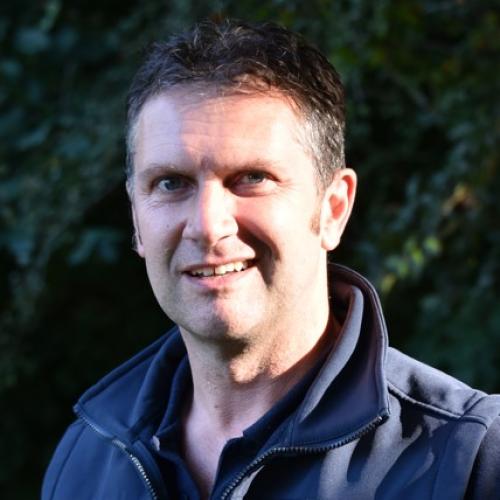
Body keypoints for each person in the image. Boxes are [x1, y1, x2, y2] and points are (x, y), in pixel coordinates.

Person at [42, 19, 500, 500]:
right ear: (137, 218)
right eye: (171, 183)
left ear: (333, 209)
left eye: (252, 178)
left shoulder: (469, 462)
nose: (207, 225)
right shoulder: (86, 459)